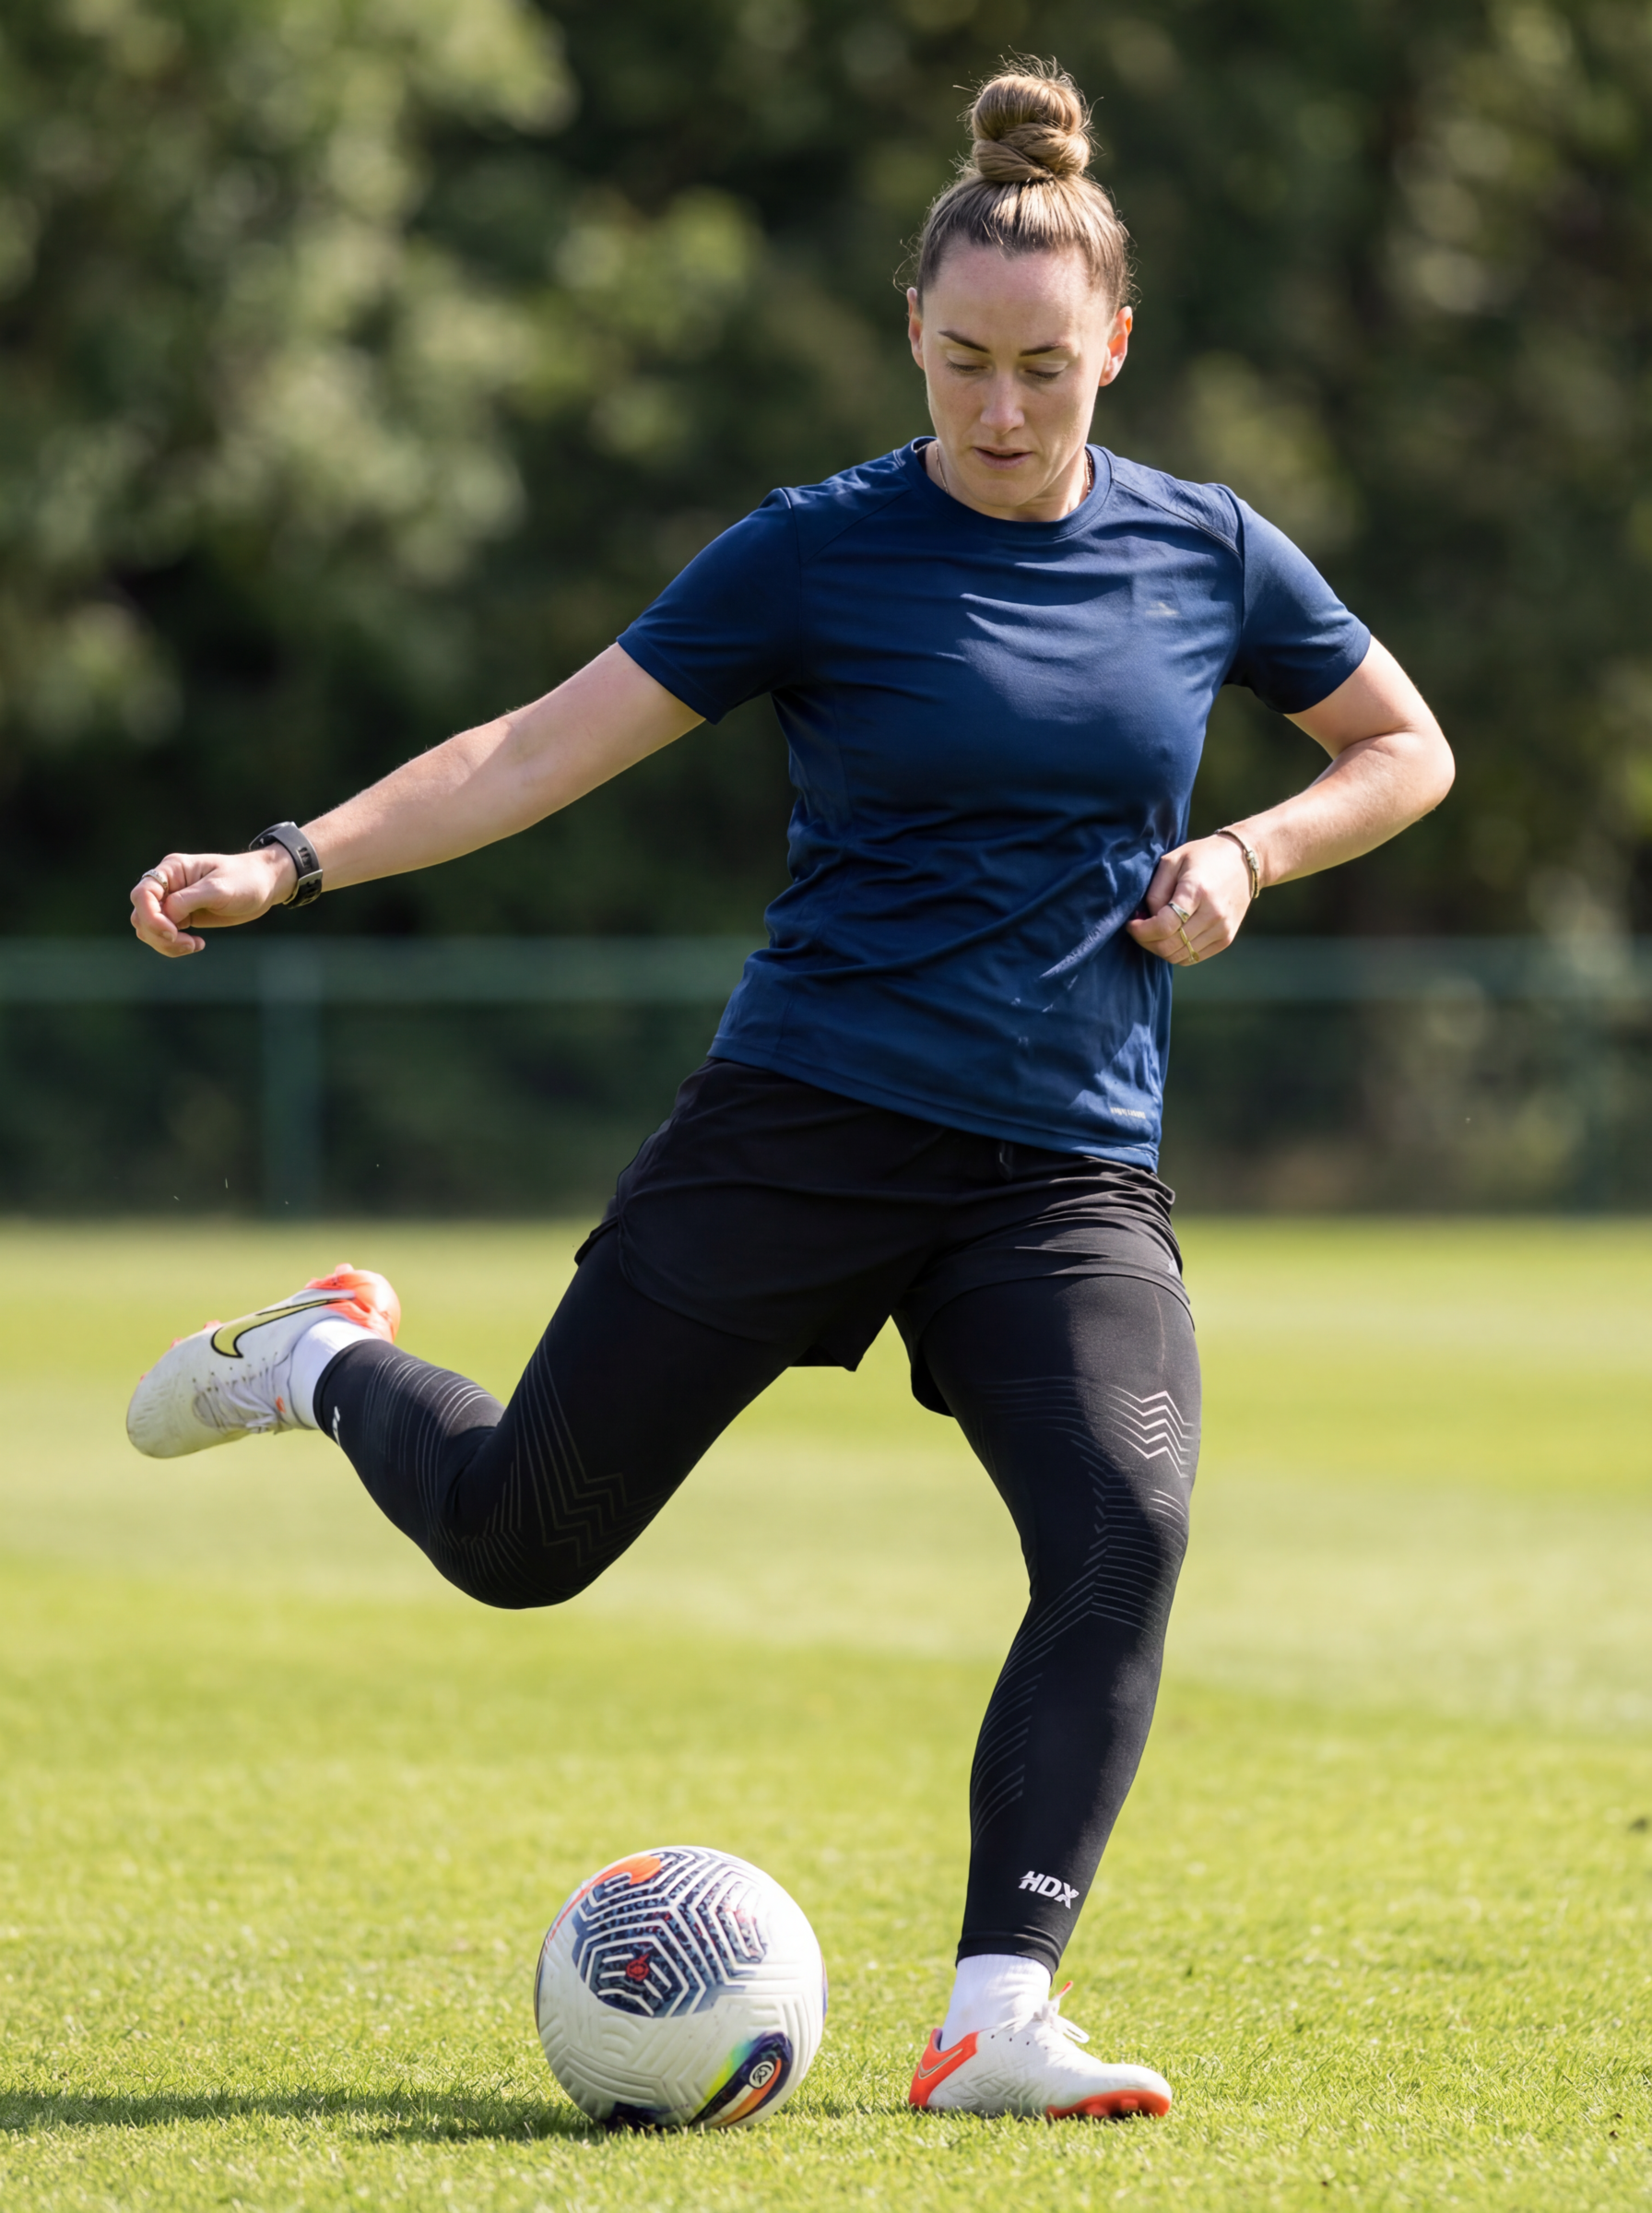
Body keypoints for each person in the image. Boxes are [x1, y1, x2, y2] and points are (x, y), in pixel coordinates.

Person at [126, 64, 1453, 2123]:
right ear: (909, 335)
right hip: (803, 1124)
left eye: (1042, 369)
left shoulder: (1207, 549)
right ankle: (317, 1361)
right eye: (961, 364)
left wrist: (1247, 854)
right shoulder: (816, 551)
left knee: (1124, 1529)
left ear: (1114, 345)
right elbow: (531, 749)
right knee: (519, 1540)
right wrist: (287, 861)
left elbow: (1402, 747)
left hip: (1061, 1174)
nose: (999, 410)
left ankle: (994, 2016)